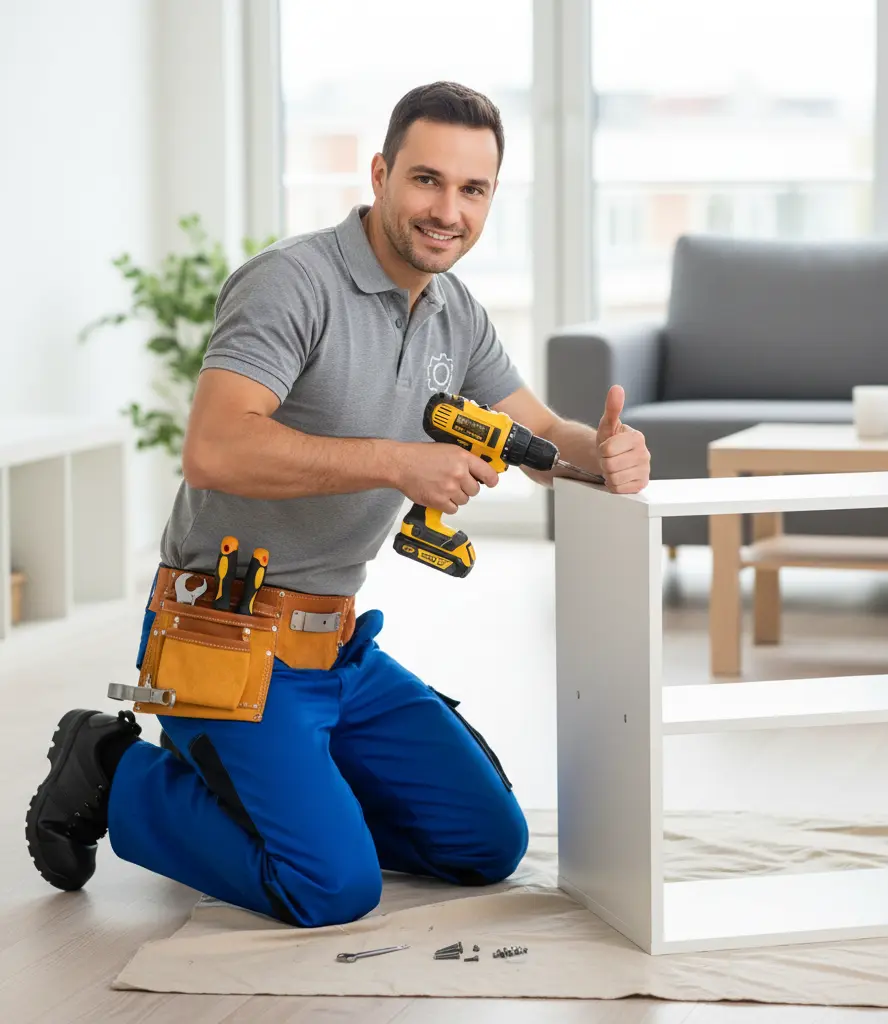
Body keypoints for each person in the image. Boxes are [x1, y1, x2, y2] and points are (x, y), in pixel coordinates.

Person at [25, 81, 651, 927]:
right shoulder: (292, 283)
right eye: (427, 180)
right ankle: (111, 768)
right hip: (223, 637)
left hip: (337, 648)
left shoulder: (454, 311)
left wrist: (600, 451)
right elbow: (215, 446)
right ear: (382, 173)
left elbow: (536, 433)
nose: (448, 210)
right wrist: (400, 464)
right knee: (332, 889)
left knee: (486, 844)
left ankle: (298, 797)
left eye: (474, 190)